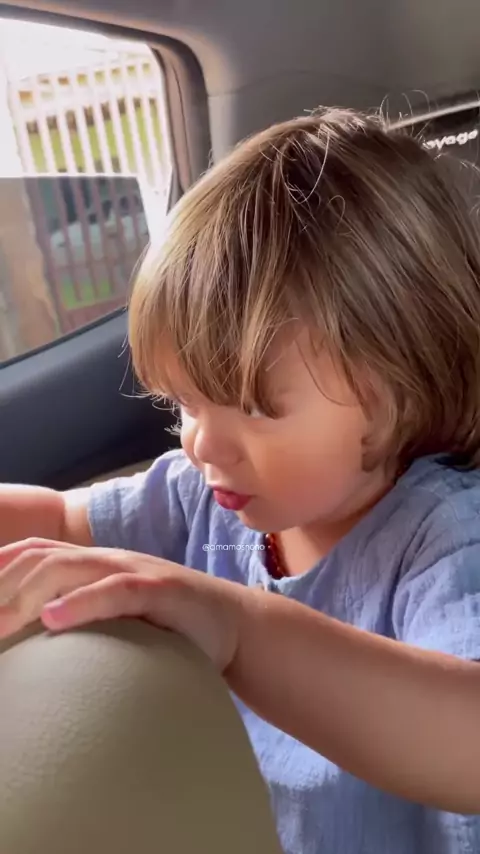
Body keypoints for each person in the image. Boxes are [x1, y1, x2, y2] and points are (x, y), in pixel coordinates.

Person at [1, 107, 480, 854]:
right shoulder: (208, 501)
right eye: (184, 404)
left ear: (395, 395)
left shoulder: (443, 538)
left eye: (253, 408)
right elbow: (60, 522)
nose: (200, 442)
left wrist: (235, 627)